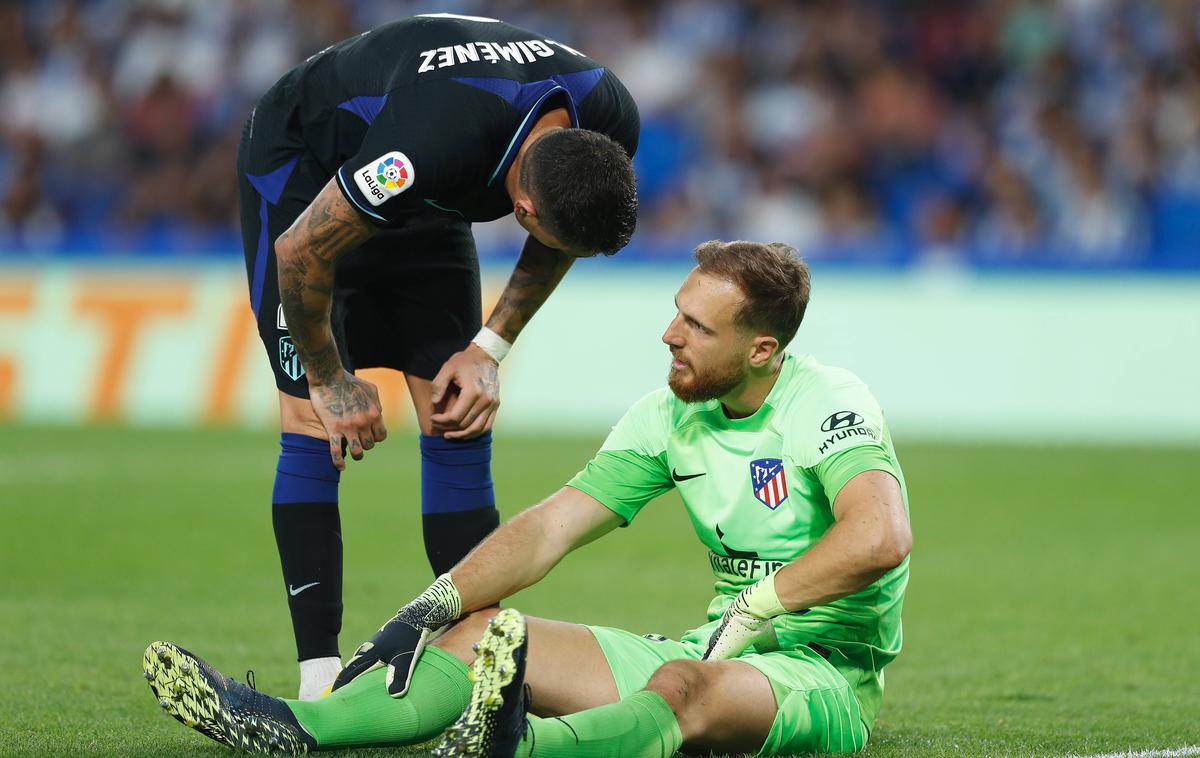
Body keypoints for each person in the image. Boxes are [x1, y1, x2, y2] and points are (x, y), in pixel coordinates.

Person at [144, 240, 911, 756]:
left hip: (822, 674)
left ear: (761, 350)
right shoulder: (670, 411)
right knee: (476, 633)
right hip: (711, 642)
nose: (669, 334)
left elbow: (879, 539)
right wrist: (430, 605)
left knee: (682, 688)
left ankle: (515, 743)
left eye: (695, 326)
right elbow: (551, 528)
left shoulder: (827, 402)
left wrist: (755, 607)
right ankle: (291, 724)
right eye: (677, 310)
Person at [236, 13, 639, 698]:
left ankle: (482, 666)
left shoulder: (608, 120)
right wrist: (332, 378)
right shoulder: (431, 142)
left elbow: (560, 234)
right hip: (308, 167)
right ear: (521, 209)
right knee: (311, 420)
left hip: (428, 189)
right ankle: (318, 679)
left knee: (458, 414)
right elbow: (300, 250)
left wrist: (490, 346)